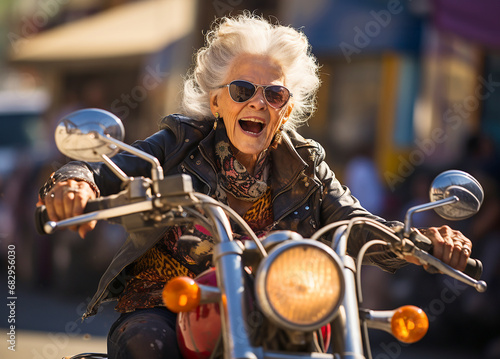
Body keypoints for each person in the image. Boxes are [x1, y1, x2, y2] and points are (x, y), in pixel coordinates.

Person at [37, 13, 473, 359]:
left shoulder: (307, 164)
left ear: (286, 110)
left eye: (274, 95)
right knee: (149, 346)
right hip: (172, 304)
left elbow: (353, 221)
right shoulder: (177, 142)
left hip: (279, 303)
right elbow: (112, 167)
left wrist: (419, 241)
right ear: (217, 101)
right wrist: (75, 183)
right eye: (243, 89)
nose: (258, 103)